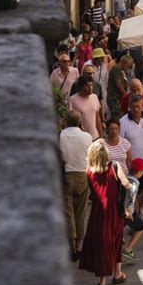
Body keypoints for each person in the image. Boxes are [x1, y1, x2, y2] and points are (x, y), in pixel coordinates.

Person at [79, 140, 132, 285]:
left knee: (103, 242)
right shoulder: (114, 166)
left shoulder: (89, 171)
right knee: (114, 240)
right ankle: (111, 276)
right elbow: (126, 184)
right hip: (114, 210)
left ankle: (113, 275)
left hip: (97, 212)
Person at [59, 111, 92, 261]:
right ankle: (79, 246)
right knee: (81, 212)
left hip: (66, 175)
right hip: (82, 175)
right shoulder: (87, 136)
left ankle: (71, 247)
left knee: (68, 212)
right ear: (80, 123)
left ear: (65, 121)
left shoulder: (60, 136)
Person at [122, 158, 143, 261]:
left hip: (119, 208)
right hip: (128, 211)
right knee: (140, 227)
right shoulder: (135, 182)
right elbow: (132, 195)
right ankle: (128, 249)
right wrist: (129, 210)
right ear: (139, 172)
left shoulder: (124, 177)